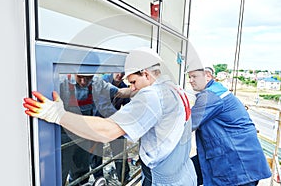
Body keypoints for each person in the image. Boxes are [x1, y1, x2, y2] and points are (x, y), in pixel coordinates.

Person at [23, 47, 197, 186]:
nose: (133, 88)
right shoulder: (175, 89)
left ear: (146, 73)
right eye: (81, 76)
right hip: (183, 173)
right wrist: (132, 90)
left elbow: (107, 130)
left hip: (162, 179)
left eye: (134, 82)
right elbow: (126, 92)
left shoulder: (151, 95)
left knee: (81, 169)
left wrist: (57, 114)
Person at [187, 66, 272, 186]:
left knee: (186, 174)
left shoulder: (211, 95)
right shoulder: (216, 91)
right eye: (189, 77)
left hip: (237, 162)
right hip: (233, 156)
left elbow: (188, 124)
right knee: (188, 173)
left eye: (194, 76)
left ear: (208, 76)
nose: (190, 80)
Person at [59, 73, 103, 185]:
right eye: (80, 77)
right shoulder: (61, 83)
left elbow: (118, 92)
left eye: (88, 77)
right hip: (65, 136)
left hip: (84, 135)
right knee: (61, 172)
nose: (84, 81)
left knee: (82, 171)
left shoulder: (97, 83)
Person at [98, 72, 131, 183]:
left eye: (123, 72)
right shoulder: (102, 82)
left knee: (120, 146)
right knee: (95, 153)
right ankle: (99, 179)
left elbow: (128, 107)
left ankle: (124, 177)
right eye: (117, 71)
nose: (119, 75)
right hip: (97, 121)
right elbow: (102, 106)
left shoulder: (124, 87)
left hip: (113, 123)